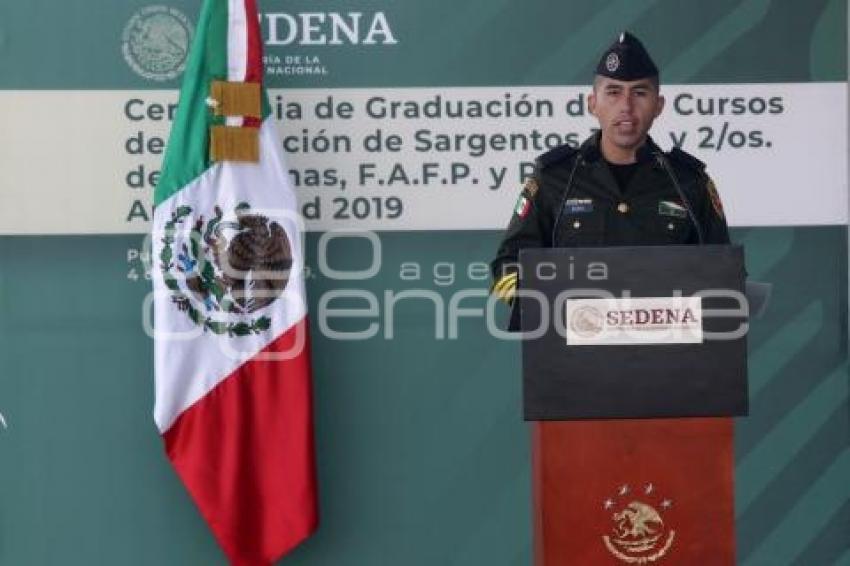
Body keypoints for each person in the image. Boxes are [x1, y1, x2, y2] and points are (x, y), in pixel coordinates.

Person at [491, 32, 730, 330]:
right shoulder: (554, 178)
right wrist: (553, 312)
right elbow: (506, 270)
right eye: (613, 92)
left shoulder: (688, 181)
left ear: (658, 105)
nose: (626, 106)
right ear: (593, 103)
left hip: (670, 362)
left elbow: (725, 274)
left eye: (640, 93)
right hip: (571, 357)